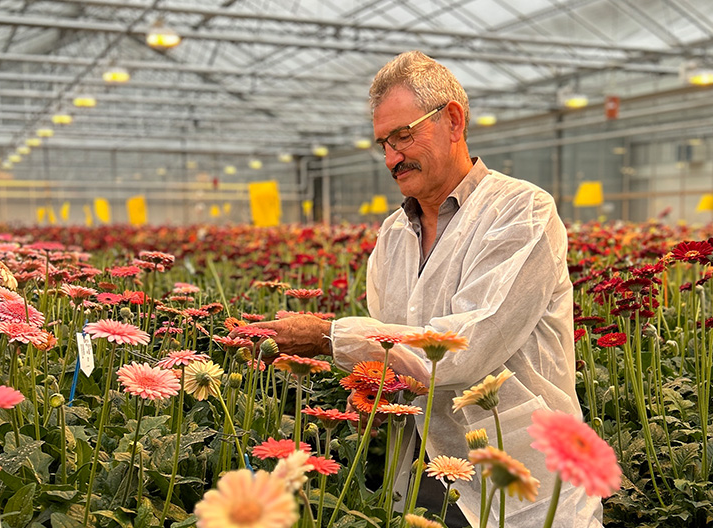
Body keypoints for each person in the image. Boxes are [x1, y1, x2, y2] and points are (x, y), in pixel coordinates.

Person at [232, 51, 602, 528]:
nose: (392, 158)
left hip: (519, 482)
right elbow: (397, 353)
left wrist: (327, 337)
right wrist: (371, 388)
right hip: (420, 478)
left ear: (453, 120)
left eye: (403, 136)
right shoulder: (393, 234)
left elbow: (467, 346)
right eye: (383, 143)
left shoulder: (521, 210)